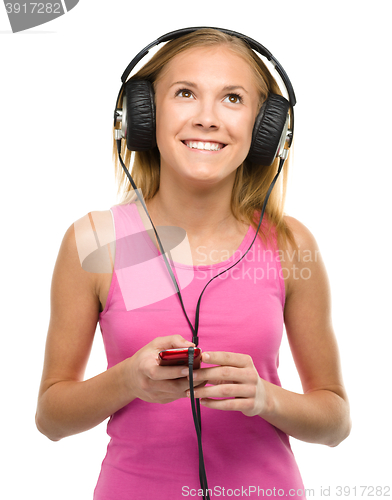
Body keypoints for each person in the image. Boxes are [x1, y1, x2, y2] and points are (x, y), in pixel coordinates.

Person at [35, 28, 351, 499]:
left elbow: (335, 424)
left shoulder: (289, 246)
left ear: (267, 129)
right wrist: (128, 379)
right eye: (185, 94)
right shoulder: (100, 241)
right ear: (143, 117)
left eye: (232, 99)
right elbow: (51, 419)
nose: (207, 118)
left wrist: (265, 397)